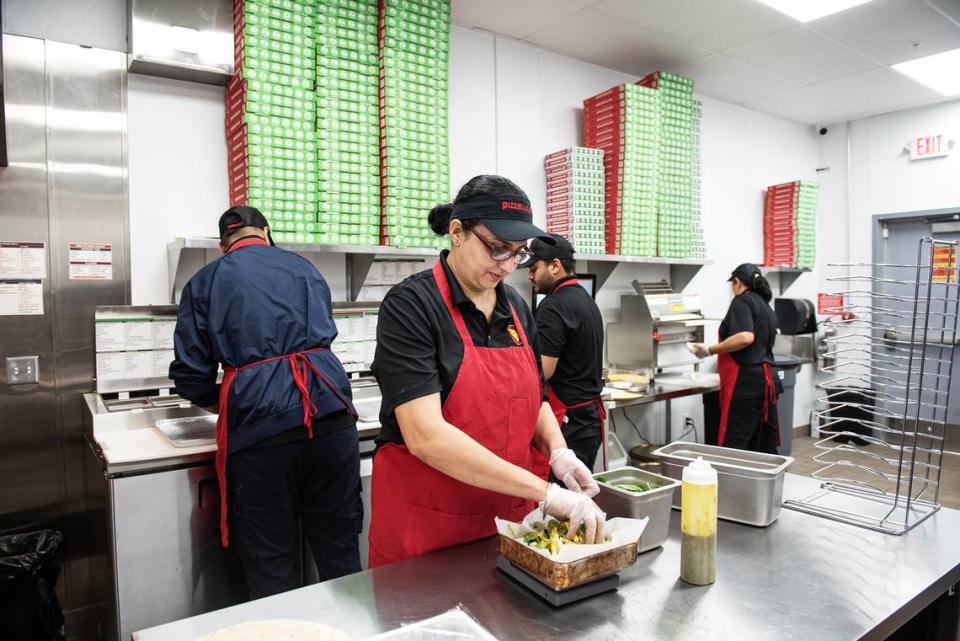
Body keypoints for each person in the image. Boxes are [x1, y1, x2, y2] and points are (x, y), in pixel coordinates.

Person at [368, 175, 606, 568]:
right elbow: (425, 435)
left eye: (519, 254)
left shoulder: (516, 305)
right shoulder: (411, 305)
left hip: (509, 522)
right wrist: (547, 493)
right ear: (457, 232)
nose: (508, 266)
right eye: (497, 250)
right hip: (429, 527)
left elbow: (536, 397)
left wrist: (558, 450)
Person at [169, 206, 362, 599]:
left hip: (261, 434)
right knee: (340, 554)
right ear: (266, 232)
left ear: (224, 244)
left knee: (272, 563)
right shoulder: (305, 269)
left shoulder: (205, 281)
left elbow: (191, 373)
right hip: (332, 415)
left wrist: (230, 399)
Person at [526, 234, 606, 474]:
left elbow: (544, 371)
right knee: (578, 496)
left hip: (567, 422)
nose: (530, 275)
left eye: (534, 268)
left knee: (561, 501)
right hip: (587, 419)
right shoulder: (585, 299)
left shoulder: (552, 306)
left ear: (555, 266)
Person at [687, 263, 782, 454]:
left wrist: (709, 350)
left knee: (734, 443)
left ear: (738, 282)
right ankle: (767, 482)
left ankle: (731, 484)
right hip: (767, 381)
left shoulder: (742, 301)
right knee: (763, 442)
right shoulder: (764, 305)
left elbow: (746, 337)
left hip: (746, 382)